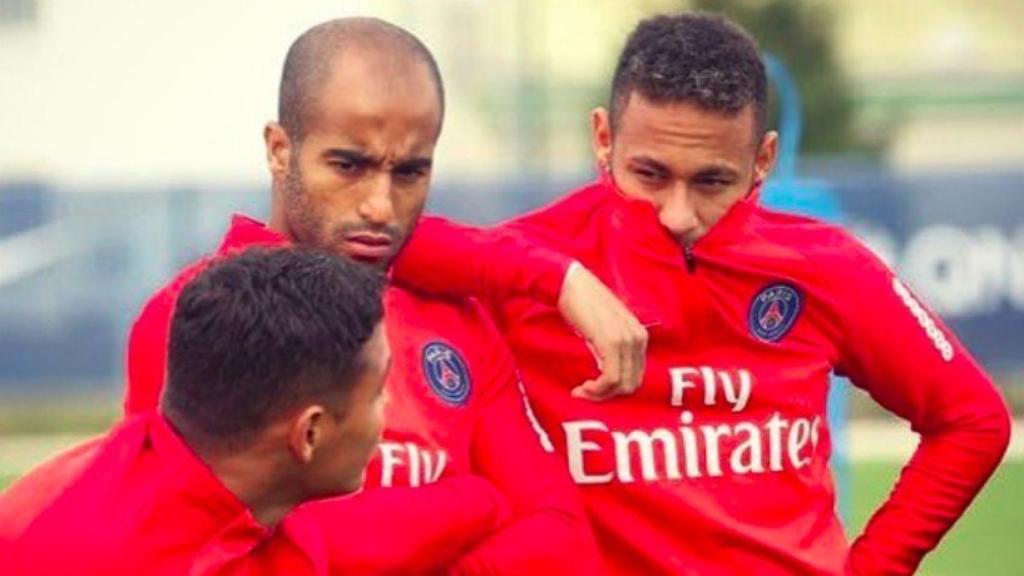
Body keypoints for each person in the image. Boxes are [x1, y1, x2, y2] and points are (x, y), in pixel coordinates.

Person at [391, 12, 1013, 575]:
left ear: (763, 159)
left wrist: (873, 568)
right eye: (650, 174)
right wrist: (561, 279)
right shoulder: (528, 264)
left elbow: (973, 419)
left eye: (712, 181)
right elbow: (373, 241)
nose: (677, 214)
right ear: (603, 138)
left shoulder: (824, 266)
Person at [123, 17, 625, 574]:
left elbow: (560, 538)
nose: (380, 206)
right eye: (349, 165)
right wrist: (467, 506)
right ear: (280, 150)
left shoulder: (456, 321)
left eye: (409, 173)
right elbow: (197, 551)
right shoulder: (192, 319)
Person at [0, 247, 397, 574]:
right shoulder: (96, 555)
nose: (389, 406)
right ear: (309, 433)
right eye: (378, 392)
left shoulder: (251, 505)